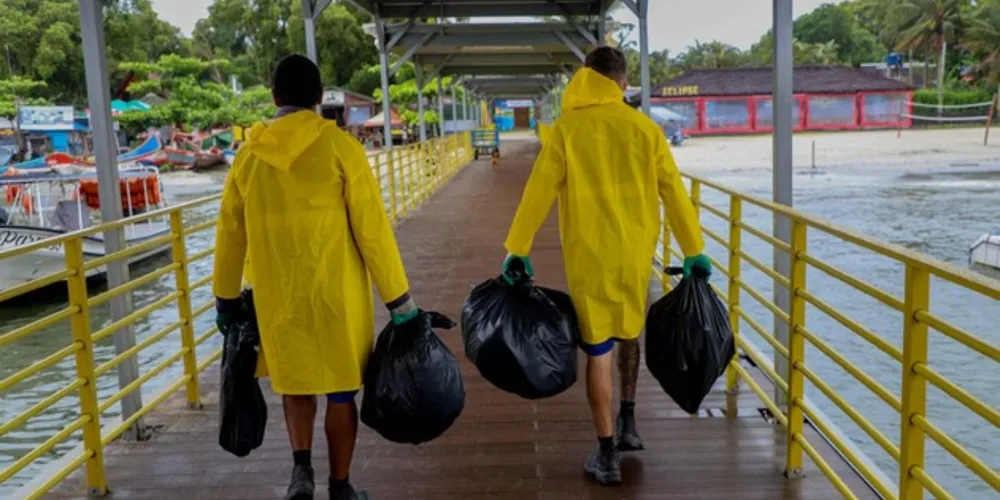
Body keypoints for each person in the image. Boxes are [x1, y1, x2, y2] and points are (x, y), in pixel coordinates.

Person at [213, 54, 420, 500]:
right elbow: (372, 228)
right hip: (336, 293)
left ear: (274, 98)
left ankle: (301, 472)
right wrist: (399, 299)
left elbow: (230, 232)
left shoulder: (248, 157)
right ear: (318, 98)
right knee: (342, 391)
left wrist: (225, 299)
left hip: (277, 294)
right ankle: (341, 486)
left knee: (296, 383)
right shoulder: (341, 147)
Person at [501, 47, 711, 486]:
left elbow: (538, 192)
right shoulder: (645, 129)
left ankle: (605, 453)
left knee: (597, 347)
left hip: (588, 253)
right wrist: (693, 250)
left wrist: (517, 248)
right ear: (621, 83)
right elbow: (672, 190)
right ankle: (630, 423)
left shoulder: (567, 129)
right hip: (635, 252)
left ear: (585, 79)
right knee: (629, 329)